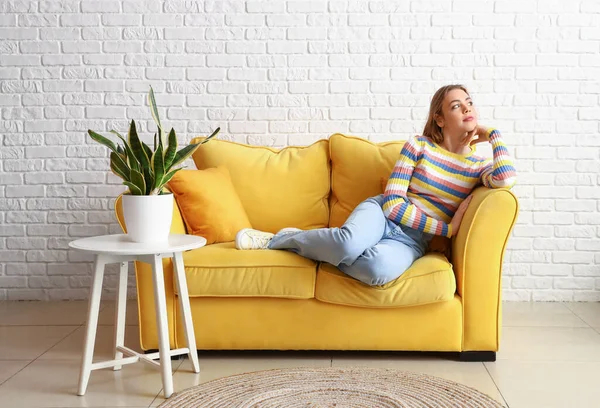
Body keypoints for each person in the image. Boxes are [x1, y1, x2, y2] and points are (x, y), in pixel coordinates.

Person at [234, 84, 517, 287]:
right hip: (381, 214)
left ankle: (321, 247)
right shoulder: (418, 145)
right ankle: (279, 240)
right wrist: (446, 230)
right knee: (347, 243)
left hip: (411, 240)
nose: (467, 107)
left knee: (376, 270)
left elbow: (505, 179)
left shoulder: (478, 167)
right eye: (456, 105)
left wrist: (494, 134)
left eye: (469, 102)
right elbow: (393, 203)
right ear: (439, 119)